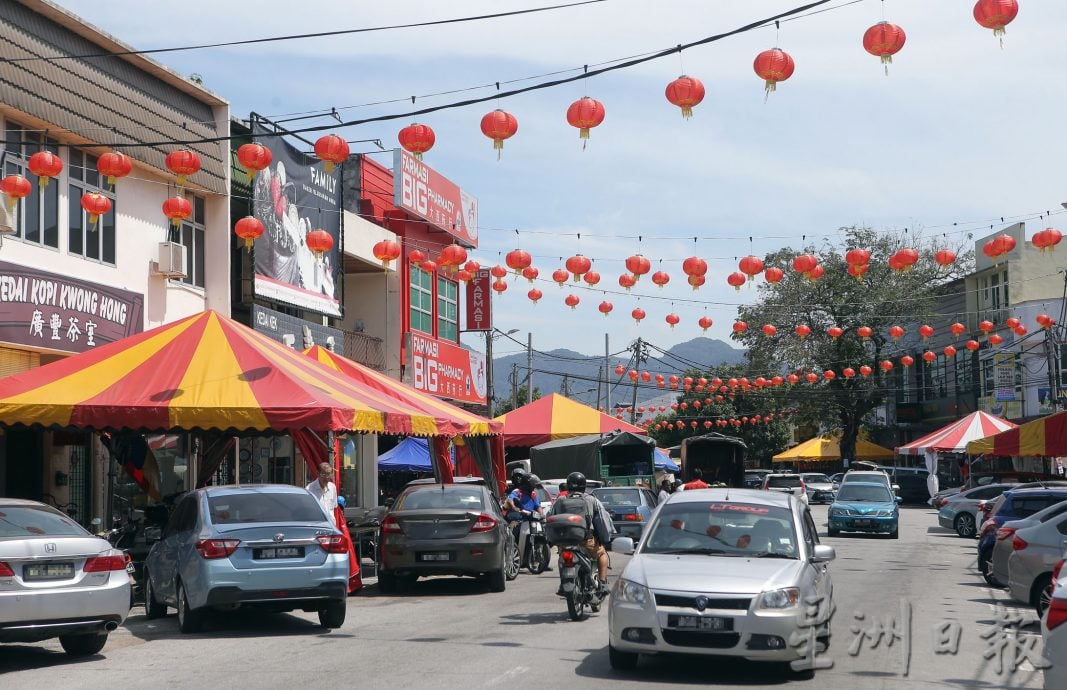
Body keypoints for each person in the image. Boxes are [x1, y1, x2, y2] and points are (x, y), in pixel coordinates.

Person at [550, 472, 612, 598]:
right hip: (586, 542)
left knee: (562, 558)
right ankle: (603, 582)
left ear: (568, 486)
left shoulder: (560, 501)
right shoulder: (592, 500)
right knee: (602, 553)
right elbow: (602, 521)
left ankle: (563, 583)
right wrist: (605, 538)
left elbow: (550, 517)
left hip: (565, 543)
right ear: (584, 486)